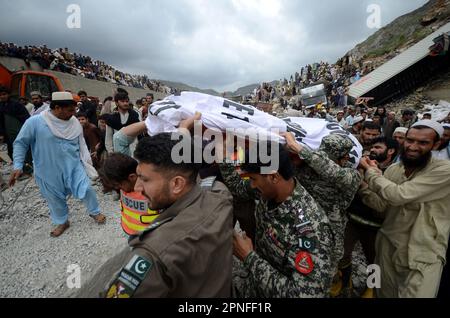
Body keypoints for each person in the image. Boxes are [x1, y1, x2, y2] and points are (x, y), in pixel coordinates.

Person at [78, 133, 233, 297]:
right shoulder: (220, 194)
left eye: (145, 180)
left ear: (177, 184)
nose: (137, 187)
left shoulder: (153, 253)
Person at [219, 141, 336, 297]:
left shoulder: (311, 230)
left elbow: (304, 294)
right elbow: (239, 187)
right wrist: (223, 156)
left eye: (253, 179)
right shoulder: (268, 190)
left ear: (273, 176)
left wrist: (249, 257)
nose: (252, 185)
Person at [359, 120, 450, 297]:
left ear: (436, 144)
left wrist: (371, 173)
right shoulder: (394, 170)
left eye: (423, 142)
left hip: (423, 254)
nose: (413, 147)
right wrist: (362, 184)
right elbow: (381, 206)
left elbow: (398, 195)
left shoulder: (444, 171)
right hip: (388, 246)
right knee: (381, 292)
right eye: (410, 140)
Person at [9, 92, 106, 237]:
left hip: (73, 166)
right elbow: (21, 143)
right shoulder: (35, 122)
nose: (74, 114)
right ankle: (62, 221)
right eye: (70, 110)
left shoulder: (73, 123)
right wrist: (18, 165)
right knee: (54, 197)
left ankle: (95, 212)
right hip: (47, 169)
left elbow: (81, 144)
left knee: (86, 188)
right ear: (57, 108)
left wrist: (87, 161)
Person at [284, 133, 361, 297]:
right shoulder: (307, 167)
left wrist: (300, 149)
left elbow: (333, 172)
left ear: (345, 157)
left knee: (325, 272)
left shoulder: (351, 175)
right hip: (302, 226)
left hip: (329, 232)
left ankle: (339, 287)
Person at [98, 153, 160, 237]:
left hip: (149, 237)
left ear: (132, 177)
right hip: (129, 232)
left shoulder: (152, 191)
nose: (117, 188)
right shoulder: (124, 185)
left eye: (118, 184)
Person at [0, 85, 33, 175]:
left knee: (25, 151)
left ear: (8, 95)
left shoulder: (16, 105)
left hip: (20, 132)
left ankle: (28, 170)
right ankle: (20, 169)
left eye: (4, 94)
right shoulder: (1, 106)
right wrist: (2, 134)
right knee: (12, 152)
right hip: (9, 134)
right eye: (0, 95)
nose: (2, 96)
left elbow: (26, 119)